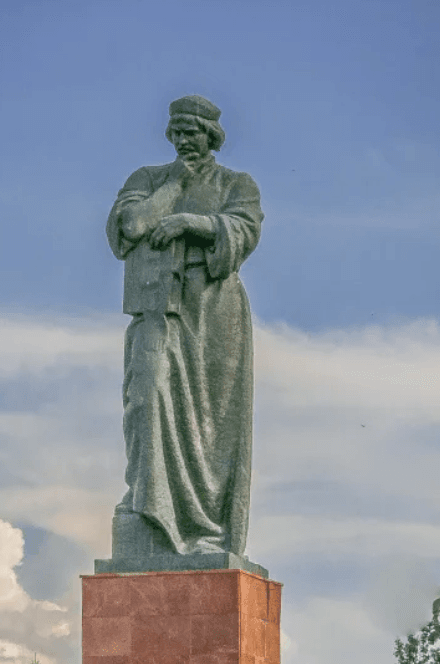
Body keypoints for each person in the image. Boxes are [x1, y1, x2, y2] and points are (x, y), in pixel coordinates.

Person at [106, 95, 264, 556]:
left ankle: (204, 527)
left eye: (191, 131)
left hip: (213, 311)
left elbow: (243, 231)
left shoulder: (238, 184)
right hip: (157, 308)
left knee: (211, 429)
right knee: (146, 394)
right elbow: (129, 227)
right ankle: (146, 506)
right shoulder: (148, 179)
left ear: (211, 135)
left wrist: (190, 224)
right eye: (175, 131)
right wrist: (174, 188)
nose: (182, 139)